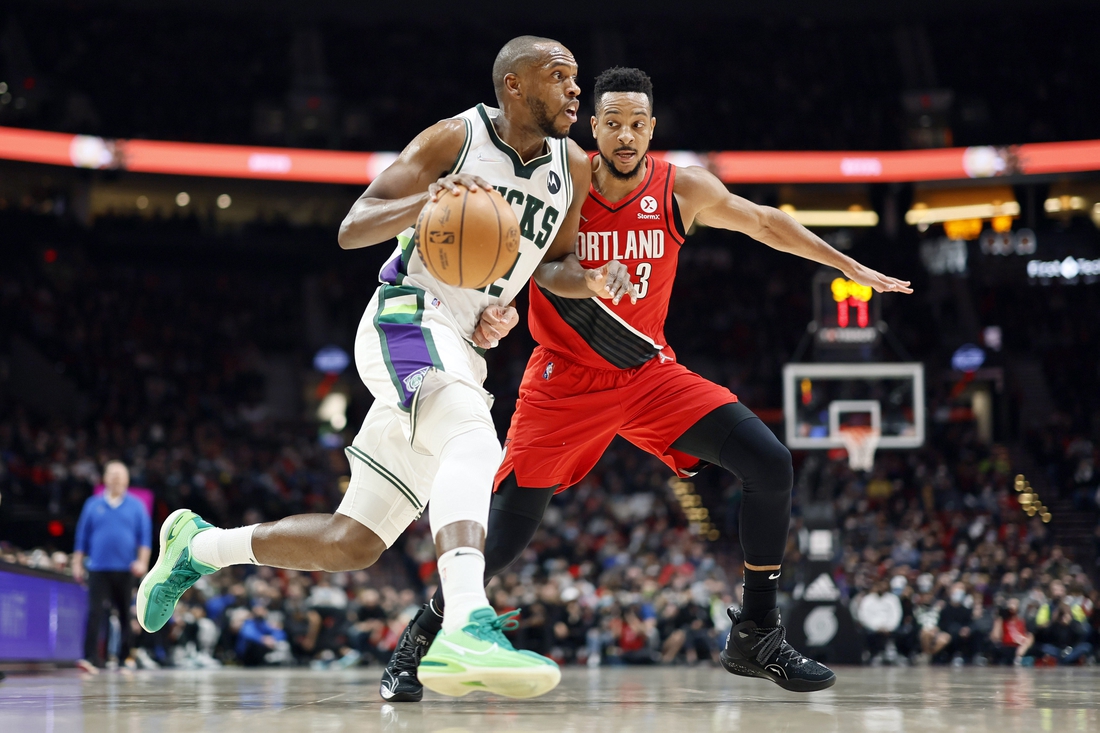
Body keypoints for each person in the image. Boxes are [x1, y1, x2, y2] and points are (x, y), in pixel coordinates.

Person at [385, 66, 912, 698]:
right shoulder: (564, 182)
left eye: (637, 124)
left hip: (646, 371)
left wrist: (849, 266)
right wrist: (558, 290)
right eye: (612, 123)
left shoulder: (681, 189)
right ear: (594, 127)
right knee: (503, 538)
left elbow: (765, 221)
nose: (625, 135)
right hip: (564, 381)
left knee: (770, 463)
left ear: (652, 127)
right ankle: (415, 645)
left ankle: (757, 632)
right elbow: (544, 270)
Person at [135, 36, 634, 700]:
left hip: (461, 340)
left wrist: (587, 280)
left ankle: (199, 546)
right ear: (514, 86)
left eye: (578, 78)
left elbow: (549, 261)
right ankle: (465, 625)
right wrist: (428, 201)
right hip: (407, 315)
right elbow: (354, 224)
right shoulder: (456, 138)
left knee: (354, 542)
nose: (577, 89)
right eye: (560, 76)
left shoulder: (573, 165)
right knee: (472, 437)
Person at [73, 460, 151, 672]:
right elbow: (82, 536)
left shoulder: (137, 506)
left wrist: (142, 562)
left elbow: (145, 538)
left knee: (125, 614)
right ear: (105, 478)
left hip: (126, 569)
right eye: (112, 474)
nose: (116, 478)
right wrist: (77, 563)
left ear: (126, 480)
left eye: (120, 475)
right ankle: (90, 658)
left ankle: (126, 656)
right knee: (95, 613)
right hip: (98, 567)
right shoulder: (92, 504)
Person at [856, 580, 903, 664]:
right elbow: (863, 616)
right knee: (865, 633)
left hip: (889, 628)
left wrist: (889, 628)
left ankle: (891, 653)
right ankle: (873, 654)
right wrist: (876, 627)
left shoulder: (893, 599)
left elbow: (897, 615)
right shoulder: (868, 599)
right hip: (872, 627)